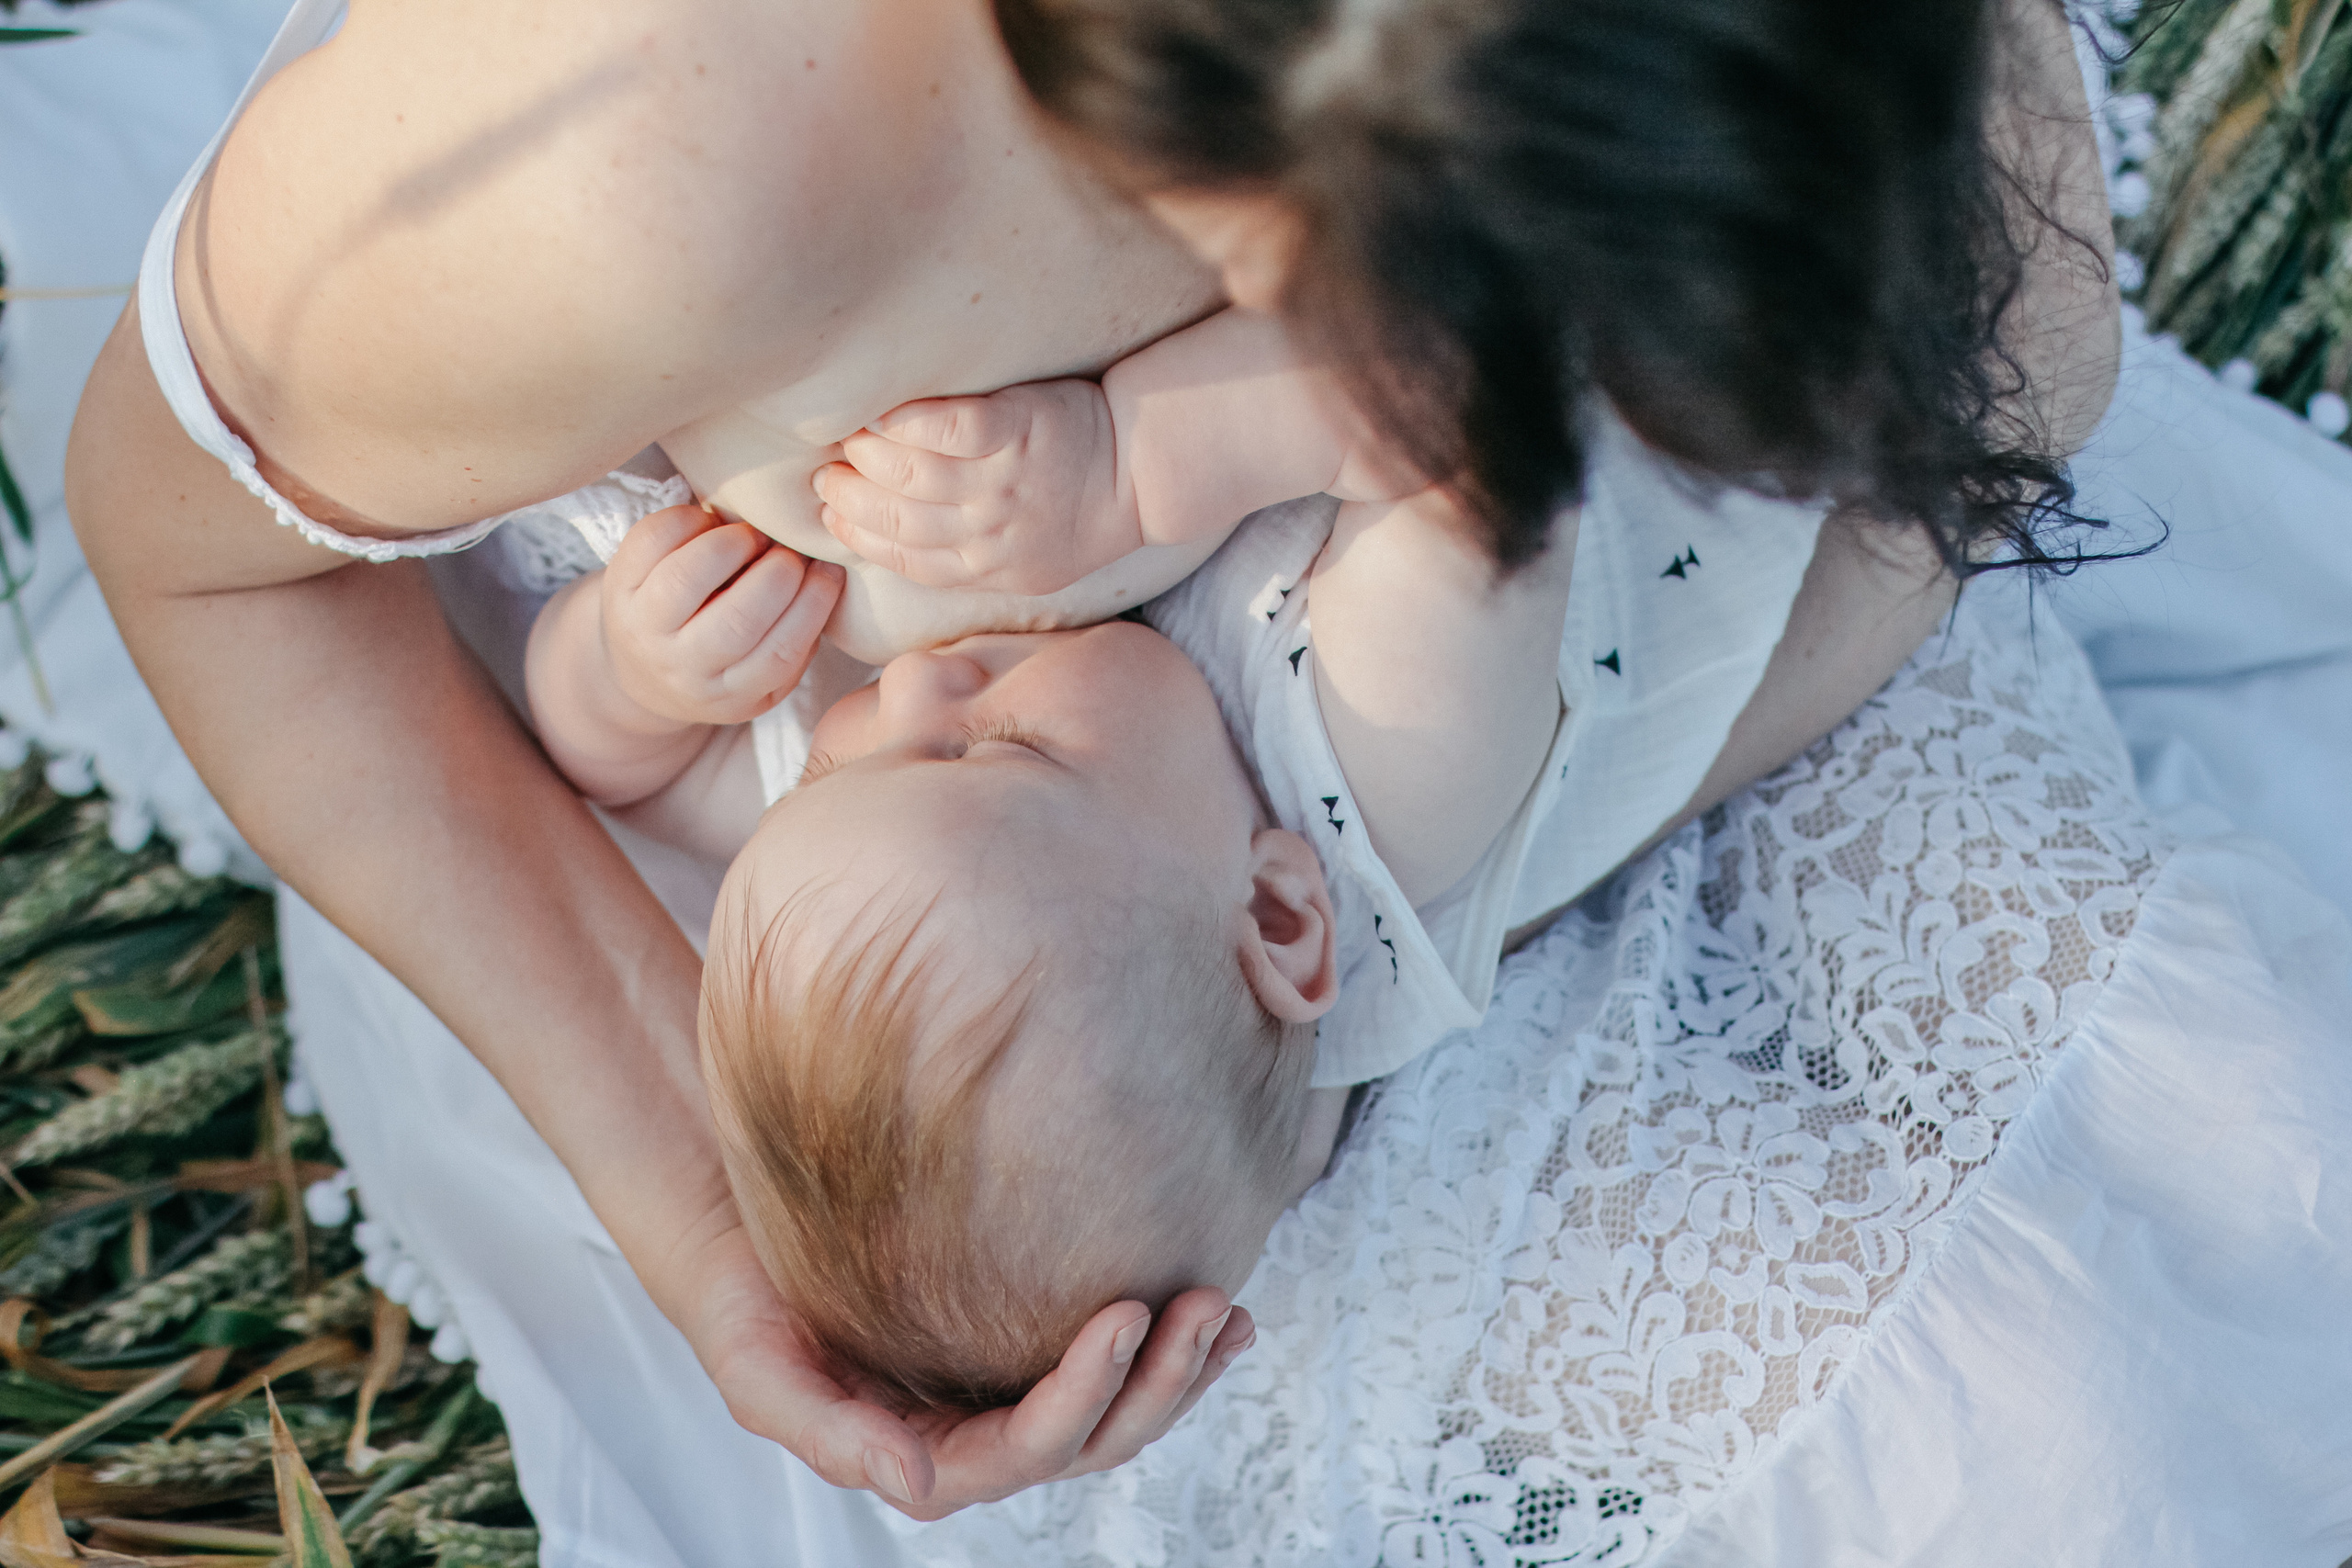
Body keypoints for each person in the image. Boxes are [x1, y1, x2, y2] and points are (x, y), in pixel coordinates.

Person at [62, 0, 2123, 1552]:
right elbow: (231, 577)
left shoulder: (936, 792)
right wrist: (696, 1182)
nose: (939, 686)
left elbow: (669, 767)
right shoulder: (643, 148)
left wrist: (644, 678)